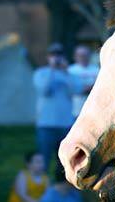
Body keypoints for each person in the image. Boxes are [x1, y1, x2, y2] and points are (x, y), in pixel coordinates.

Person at [33, 43, 80, 171]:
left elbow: (75, 91)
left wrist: (66, 73)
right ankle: (43, 187)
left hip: (65, 125)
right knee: (44, 160)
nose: (56, 57)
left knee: (64, 163)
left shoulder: (70, 75)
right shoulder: (41, 73)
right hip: (46, 125)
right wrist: (52, 70)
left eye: (59, 54)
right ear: (48, 57)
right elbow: (44, 90)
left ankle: (61, 187)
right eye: (53, 55)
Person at [67, 45, 99, 118]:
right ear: (75, 56)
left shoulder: (97, 69)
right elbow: (71, 88)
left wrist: (82, 88)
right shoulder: (70, 70)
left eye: (85, 55)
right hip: (75, 110)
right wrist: (90, 87)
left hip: (93, 110)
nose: (83, 57)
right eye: (80, 55)